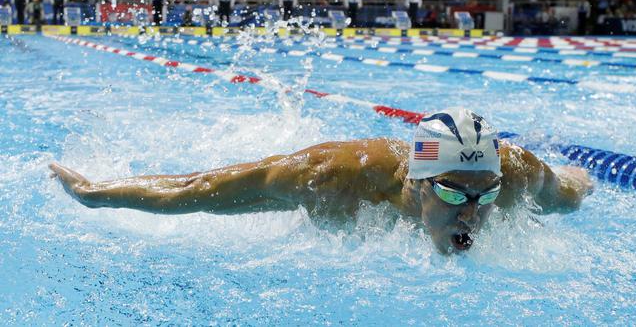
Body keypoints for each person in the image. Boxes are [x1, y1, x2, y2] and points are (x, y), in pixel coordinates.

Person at [50, 107, 592, 254]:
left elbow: (569, 189)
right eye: (452, 192)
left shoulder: (515, 176)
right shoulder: (333, 178)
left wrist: (582, 182)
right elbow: (194, 191)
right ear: (416, 179)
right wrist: (97, 194)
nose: (472, 212)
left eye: (484, 194)